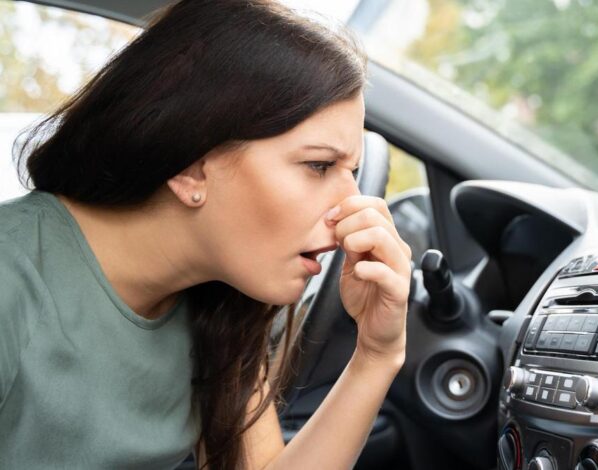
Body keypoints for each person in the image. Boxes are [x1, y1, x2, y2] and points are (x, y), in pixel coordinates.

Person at [0, 0, 412, 469]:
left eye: (352, 171)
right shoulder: (10, 280)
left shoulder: (220, 307)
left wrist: (376, 357)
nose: (349, 207)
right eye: (319, 165)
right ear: (192, 168)